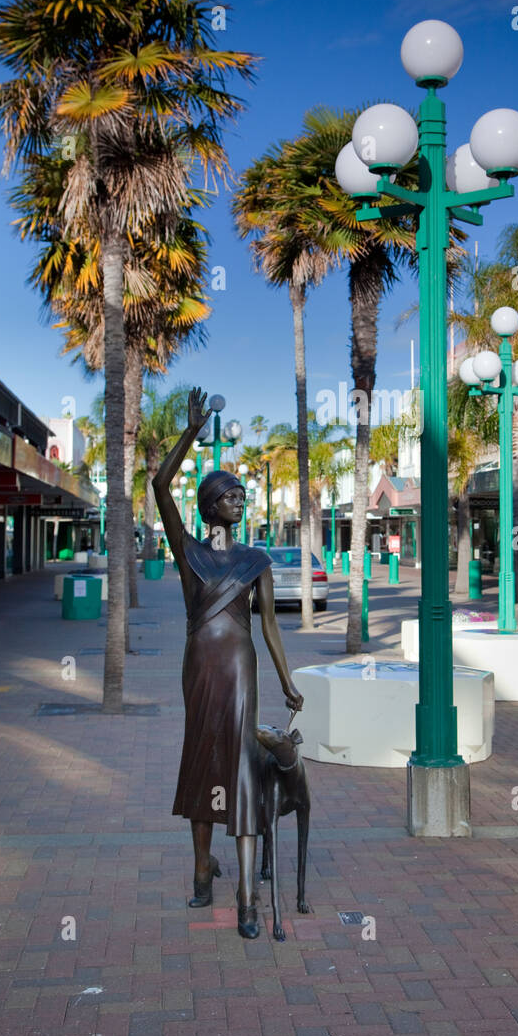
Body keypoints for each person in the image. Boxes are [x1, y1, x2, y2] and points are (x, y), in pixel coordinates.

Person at [153, 388, 303, 938]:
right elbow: (159, 486)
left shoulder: (256, 559)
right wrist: (191, 431)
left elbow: (268, 626)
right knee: (201, 757)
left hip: (240, 665)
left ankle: (245, 893)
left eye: (242, 495)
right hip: (201, 666)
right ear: (208, 503)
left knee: (239, 765)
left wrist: (287, 682)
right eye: (229, 495)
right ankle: (200, 868)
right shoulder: (187, 550)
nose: (239, 501)